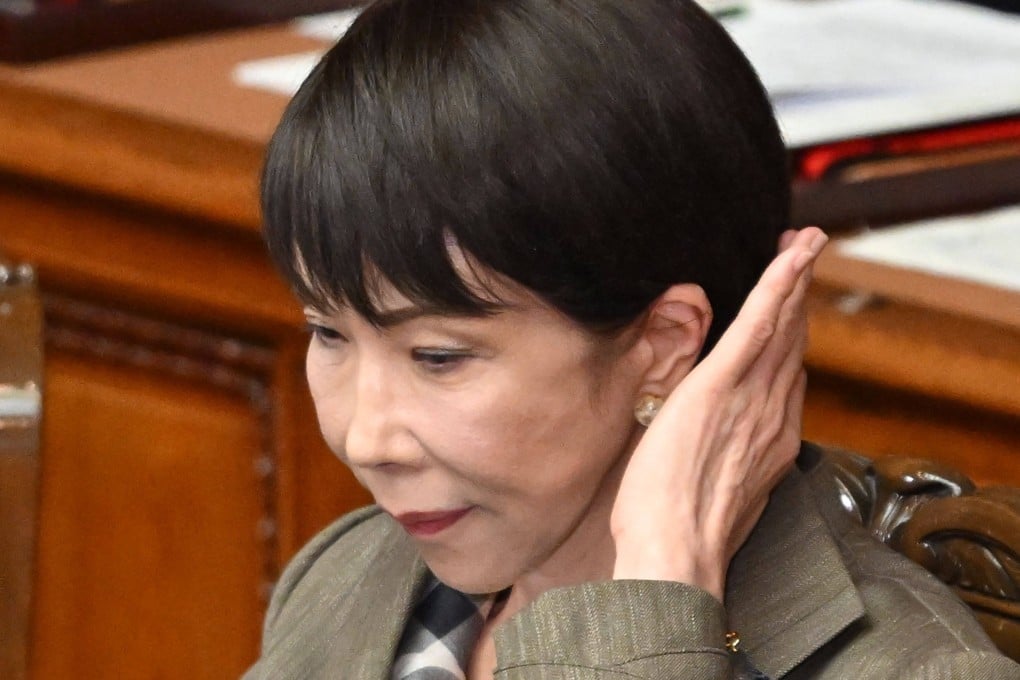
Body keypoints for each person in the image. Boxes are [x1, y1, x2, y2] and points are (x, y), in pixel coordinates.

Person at [244, 1, 1020, 678]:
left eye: (438, 357)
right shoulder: (351, 577)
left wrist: (651, 601)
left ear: (663, 339)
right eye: (327, 331)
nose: (364, 435)